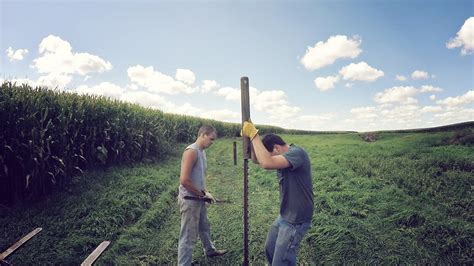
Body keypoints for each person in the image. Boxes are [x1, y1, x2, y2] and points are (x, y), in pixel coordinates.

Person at [242, 120, 314, 266]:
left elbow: (267, 162)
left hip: (297, 219)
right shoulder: (282, 155)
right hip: (285, 215)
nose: (269, 157)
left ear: (276, 148)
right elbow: (259, 160)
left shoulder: (297, 153)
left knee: (282, 260)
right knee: (270, 248)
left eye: (270, 154)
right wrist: (250, 139)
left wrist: (254, 135)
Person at [177, 125, 227, 266]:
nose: (212, 142)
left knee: (204, 226)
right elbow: (185, 181)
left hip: (198, 197)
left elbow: (197, 177)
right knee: (188, 236)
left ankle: (210, 250)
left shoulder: (202, 151)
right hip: (190, 200)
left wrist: (205, 193)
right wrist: (201, 195)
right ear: (203, 135)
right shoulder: (191, 151)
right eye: (211, 139)